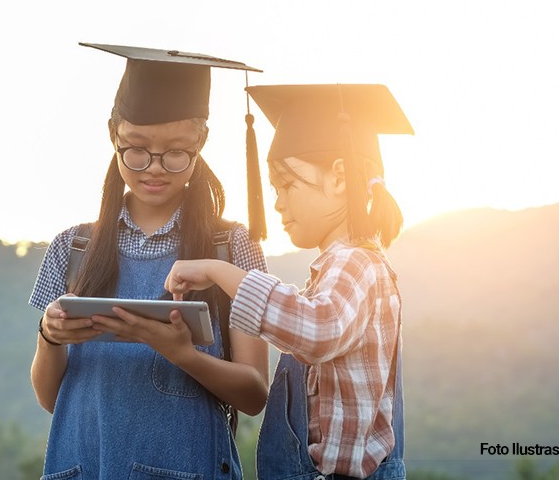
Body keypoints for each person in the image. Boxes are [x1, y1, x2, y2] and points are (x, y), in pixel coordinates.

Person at [30, 43, 270, 480]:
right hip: (86, 465)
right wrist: (50, 336)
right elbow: (51, 399)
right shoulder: (72, 248)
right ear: (113, 135)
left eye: (176, 152)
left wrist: (182, 354)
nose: (154, 169)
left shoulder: (230, 249)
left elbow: (254, 394)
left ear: (201, 141)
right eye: (136, 150)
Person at [165, 84, 413, 479]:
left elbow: (317, 328)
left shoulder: (358, 263)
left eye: (288, 185)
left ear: (339, 178)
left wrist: (218, 270)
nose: (278, 202)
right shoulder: (334, 270)